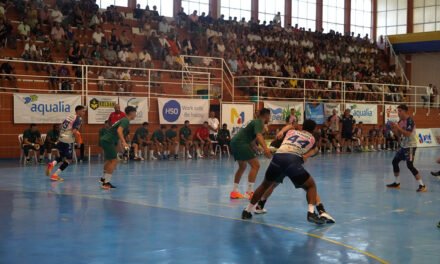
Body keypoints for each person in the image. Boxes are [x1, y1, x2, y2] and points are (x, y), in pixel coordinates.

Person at [241, 119, 335, 225]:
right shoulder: (312, 139)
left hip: (278, 158)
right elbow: (315, 150)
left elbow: (290, 126)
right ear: (313, 130)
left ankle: (247, 210)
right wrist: (307, 155)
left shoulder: (291, 132)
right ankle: (311, 213)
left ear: (302, 126)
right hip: (292, 161)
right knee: (310, 186)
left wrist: (281, 131)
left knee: (265, 185)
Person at [229, 108, 272, 199]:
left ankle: (234, 191)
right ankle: (249, 192)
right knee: (256, 166)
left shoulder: (254, 122)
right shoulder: (259, 122)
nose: (270, 118)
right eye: (269, 116)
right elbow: (259, 135)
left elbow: (251, 140)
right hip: (241, 143)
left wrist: (256, 147)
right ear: (266, 116)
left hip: (235, 142)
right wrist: (266, 149)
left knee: (242, 167)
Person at [387, 104, 427, 192]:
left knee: (410, 165)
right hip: (404, 146)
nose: (398, 113)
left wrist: (398, 128)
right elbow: (400, 135)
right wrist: (394, 130)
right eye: (398, 111)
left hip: (411, 146)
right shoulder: (400, 121)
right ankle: (397, 183)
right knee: (395, 162)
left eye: (400, 111)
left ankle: (422, 185)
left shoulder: (410, 121)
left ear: (405, 111)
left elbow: (408, 134)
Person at [99, 106, 137, 189]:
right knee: (114, 161)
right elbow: (119, 131)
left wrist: (123, 141)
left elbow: (120, 132)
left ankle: (103, 179)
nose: (136, 115)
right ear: (131, 113)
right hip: (108, 141)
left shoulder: (124, 120)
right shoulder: (126, 120)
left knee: (110, 160)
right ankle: (106, 183)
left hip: (107, 140)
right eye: (135, 113)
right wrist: (124, 142)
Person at [46, 105, 86, 181]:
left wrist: (60, 137)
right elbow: (75, 132)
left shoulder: (70, 116)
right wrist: (78, 141)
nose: (84, 113)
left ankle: (52, 164)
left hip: (61, 137)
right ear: (78, 111)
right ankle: (55, 175)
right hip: (68, 139)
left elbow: (61, 126)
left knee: (61, 156)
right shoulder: (79, 118)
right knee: (69, 159)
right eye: (83, 111)